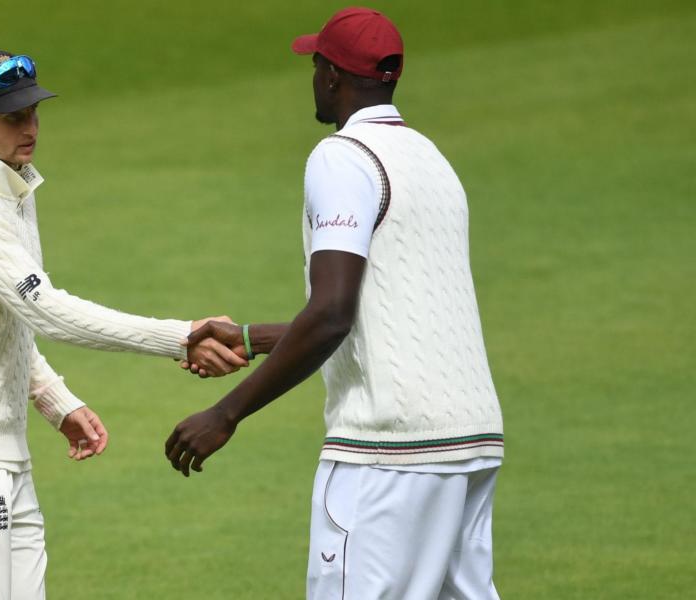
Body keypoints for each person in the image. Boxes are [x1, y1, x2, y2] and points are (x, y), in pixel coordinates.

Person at [0, 49, 247, 600]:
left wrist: (56, 400)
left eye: (31, 112)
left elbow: (6, 316)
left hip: (0, 449)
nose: (28, 127)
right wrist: (179, 335)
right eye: (11, 117)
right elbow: (44, 309)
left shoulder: (13, 186)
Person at [166, 8, 504, 599]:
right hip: (471, 442)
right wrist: (247, 337)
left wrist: (226, 414)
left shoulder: (343, 157)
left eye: (316, 63)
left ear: (331, 75)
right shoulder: (430, 159)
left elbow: (332, 314)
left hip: (390, 451)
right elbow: (380, 311)